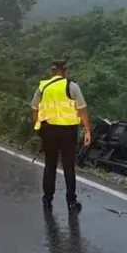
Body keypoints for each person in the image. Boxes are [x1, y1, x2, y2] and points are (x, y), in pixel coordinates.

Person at [30, 59, 91, 211]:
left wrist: (38, 126)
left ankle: (47, 199)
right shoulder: (71, 86)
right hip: (68, 131)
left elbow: (34, 109)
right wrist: (87, 130)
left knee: (50, 165)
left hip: (49, 130)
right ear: (65, 71)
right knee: (68, 166)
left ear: (51, 72)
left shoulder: (43, 87)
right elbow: (82, 109)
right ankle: (71, 202)